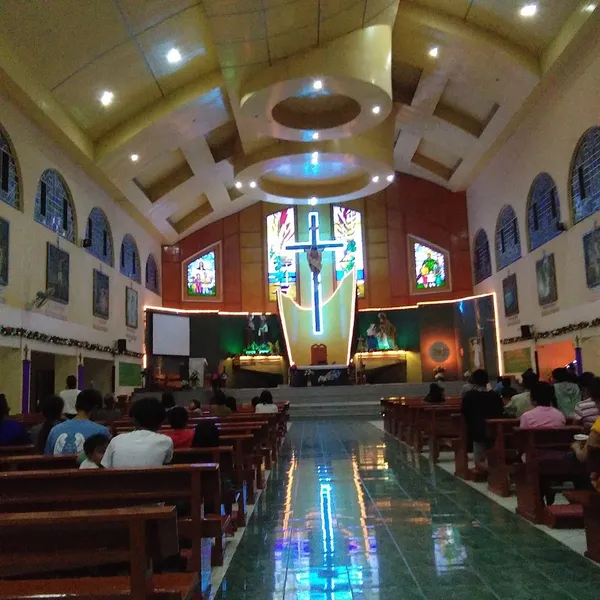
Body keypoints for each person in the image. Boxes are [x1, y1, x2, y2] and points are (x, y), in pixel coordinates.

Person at [102, 397, 173, 468]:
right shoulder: (166, 441)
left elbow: (106, 466)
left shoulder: (116, 440)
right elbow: (166, 462)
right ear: (161, 422)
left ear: (133, 421)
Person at [460, 369, 504, 473]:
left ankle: (486, 468)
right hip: (494, 429)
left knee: (479, 453)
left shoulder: (470, 395)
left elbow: (464, 412)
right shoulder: (495, 395)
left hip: (476, 429)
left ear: (473, 380)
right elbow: (500, 410)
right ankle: (493, 465)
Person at [45, 390, 110, 455]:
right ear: (95, 408)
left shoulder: (55, 430)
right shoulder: (101, 432)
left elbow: (47, 459)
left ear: (76, 406)